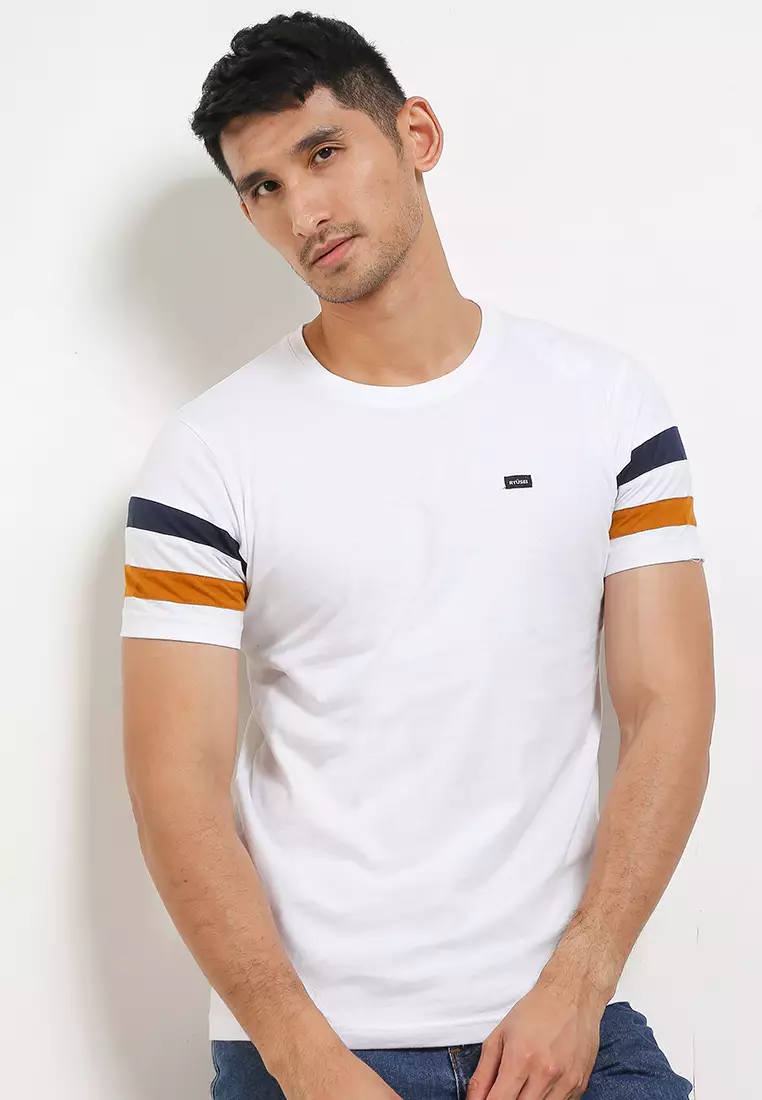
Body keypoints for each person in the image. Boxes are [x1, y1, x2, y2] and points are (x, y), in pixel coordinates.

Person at [120, 11, 715, 1100]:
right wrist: (306, 1059)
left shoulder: (606, 407)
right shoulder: (207, 454)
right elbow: (176, 780)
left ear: (417, 135)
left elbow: (669, 706)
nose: (304, 211)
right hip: (311, 1047)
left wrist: (582, 982)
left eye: (324, 152)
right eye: (264, 187)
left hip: (560, 1023)